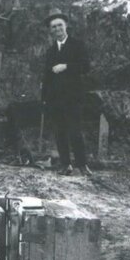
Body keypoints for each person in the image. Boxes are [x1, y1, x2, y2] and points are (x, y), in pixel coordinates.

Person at [39, 10, 93, 172]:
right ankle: (65, 165)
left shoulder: (77, 45)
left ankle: (82, 165)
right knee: (59, 132)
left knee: (75, 131)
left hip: (73, 97)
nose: (57, 29)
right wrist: (44, 100)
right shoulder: (50, 51)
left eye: (59, 25)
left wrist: (66, 66)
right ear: (50, 30)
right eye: (53, 27)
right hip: (55, 99)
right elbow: (47, 77)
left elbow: (86, 67)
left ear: (66, 26)